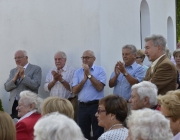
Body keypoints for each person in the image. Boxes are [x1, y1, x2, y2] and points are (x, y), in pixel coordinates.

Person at [72, 50, 106, 140]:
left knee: (98, 132)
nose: (84, 60)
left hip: (96, 105)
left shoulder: (100, 70)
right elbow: (74, 90)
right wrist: (83, 80)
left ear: (94, 59)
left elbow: (99, 87)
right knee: (83, 133)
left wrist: (89, 75)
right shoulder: (78, 72)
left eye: (87, 57)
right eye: (83, 58)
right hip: (82, 106)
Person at [4, 50, 42, 118]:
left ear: (26, 58)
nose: (17, 60)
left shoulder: (36, 69)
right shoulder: (13, 71)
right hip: (14, 105)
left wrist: (23, 76)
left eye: (19, 57)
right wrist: (14, 79)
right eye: (15, 58)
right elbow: (6, 87)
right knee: (15, 127)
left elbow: (35, 85)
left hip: (28, 106)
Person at [44, 51, 77, 121]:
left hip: (67, 104)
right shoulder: (51, 71)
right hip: (53, 104)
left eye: (59, 59)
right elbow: (46, 88)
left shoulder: (72, 71)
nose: (57, 61)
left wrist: (61, 80)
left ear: (65, 60)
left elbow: (72, 89)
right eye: (55, 59)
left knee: (67, 125)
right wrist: (54, 81)